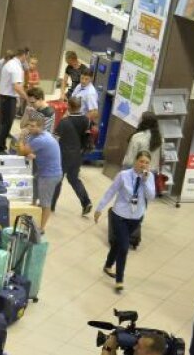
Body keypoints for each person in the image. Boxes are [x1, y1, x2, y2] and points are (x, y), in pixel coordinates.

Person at [95, 150, 155, 292]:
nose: (143, 165)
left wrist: (146, 181)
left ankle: (108, 265)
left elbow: (151, 196)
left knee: (118, 243)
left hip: (136, 217)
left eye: (147, 163)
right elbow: (111, 192)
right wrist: (99, 208)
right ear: (135, 161)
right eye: (141, 161)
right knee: (123, 247)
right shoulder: (123, 175)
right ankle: (119, 280)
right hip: (119, 215)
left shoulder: (149, 176)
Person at [19, 117, 63, 233]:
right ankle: (32, 210)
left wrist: (21, 138)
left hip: (49, 175)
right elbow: (39, 152)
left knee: (45, 202)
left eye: (33, 126)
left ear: (41, 127)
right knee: (34, 191)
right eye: (29, 125)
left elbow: (22, 151)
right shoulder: (40, 135)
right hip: (46, 171)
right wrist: (34, 155)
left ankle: (41, 228)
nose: (30, 128)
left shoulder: (40, 140)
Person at [53, 97, 94, 215]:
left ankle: (51, 205)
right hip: (77, 155)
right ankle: (86, 202)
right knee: (74, 179)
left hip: (63, 155)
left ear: (69, 107)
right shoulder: (87, 120)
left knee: (57, 179)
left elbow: (55, 139)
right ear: (80, 107)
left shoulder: (64, 122)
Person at [0, 47, 28, 154]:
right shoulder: (16, 67)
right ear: (24, 55)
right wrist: (27, 98)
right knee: (5, 124)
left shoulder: (10, 63)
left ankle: (1, 145)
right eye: (27, 56)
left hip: (5, 97)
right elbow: (16, 87)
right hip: (8, 99)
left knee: (4, 123)